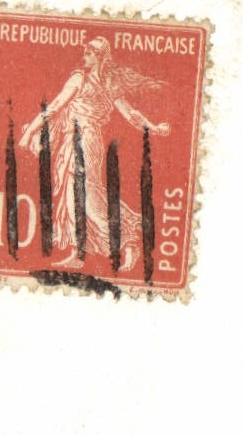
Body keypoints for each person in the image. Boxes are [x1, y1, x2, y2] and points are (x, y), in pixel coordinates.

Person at [18, 37, 169, 270]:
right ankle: (78, 253)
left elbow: (129, 114)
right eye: (84, 53)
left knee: (88, 197)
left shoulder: (96, 82)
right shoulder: (86, 79)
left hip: (86, 141)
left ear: (99, 57)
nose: (84, 57)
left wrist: (28, 133)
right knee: (71, 200)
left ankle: (129, 241)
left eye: (88, 54)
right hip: (74, 141)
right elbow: (58, 106)